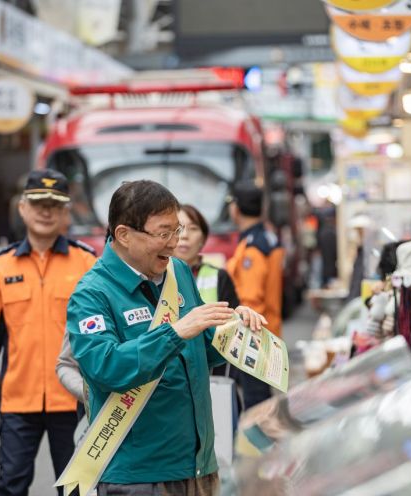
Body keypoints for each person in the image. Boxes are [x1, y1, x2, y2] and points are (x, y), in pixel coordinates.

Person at [67, 180, 265, 495]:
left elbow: (203, 351)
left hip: (199, 464)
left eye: (178, 231)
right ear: (123, 234)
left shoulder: (179, 273)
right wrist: (173, 333)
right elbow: (106, 368)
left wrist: (234, 329)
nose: (174, 243)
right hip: (140, 475)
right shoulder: (92, 294)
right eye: (163, 233)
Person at [0, 170, 97, 496]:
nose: (46, 211)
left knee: (76, 487)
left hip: (74, 398)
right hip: (17, 400)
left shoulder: (86, 263)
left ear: (66, 213)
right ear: (22, 208)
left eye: (55, 205)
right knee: (11, 485)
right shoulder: (0, 267)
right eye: (38, 203)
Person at [225, 180, 284, 409]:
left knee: (256, 406)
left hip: (255, 340)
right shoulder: (266, 238)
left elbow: (251, 302)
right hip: (268, 335)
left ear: (235, 209)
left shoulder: (253, 248)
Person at [175, 204, 240, 309]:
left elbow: (232, 320)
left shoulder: (220, 277)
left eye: (193, 228)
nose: (185, 235)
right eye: (178, 228)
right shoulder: (154, 276)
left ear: (203, 238)